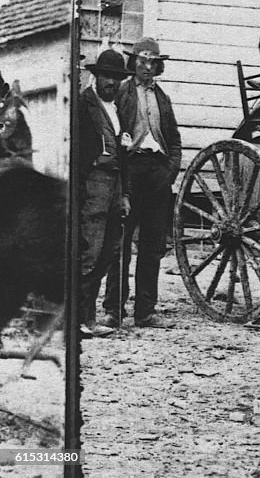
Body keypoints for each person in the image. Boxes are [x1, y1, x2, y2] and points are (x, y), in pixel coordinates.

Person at [100, 38, 182, 329]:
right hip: (130, 171)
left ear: (158, 65)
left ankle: (145, 311)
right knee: (120, 243)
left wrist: (170, 171)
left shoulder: (162, 97)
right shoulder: (122, 92)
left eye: (152, 61)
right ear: (133, 62)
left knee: (153, 245)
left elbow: (173, 138)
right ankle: (114, 310)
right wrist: (120, 176)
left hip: (157, 172)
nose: (147, 66)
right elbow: (112, 132)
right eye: (142, 60)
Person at [78, 49, 132, 338]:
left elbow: (123, 157)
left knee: (108, 252)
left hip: (114, 184)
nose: (112, 83)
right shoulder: (83, 105)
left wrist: (124, 195)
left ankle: (89, 319)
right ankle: (76, 319)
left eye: (117, 78)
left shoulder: (117, 108)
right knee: (89, 251)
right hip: (93, 184)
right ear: (95, 76)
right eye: (107, 76)